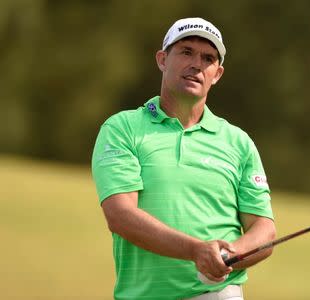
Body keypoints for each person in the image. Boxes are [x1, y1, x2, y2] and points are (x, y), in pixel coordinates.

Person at [91, 17, 276, 300]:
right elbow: (120, 215)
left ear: (217, 74)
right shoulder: (122, 129)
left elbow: (263, 228)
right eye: (186, 52)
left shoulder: (238, 142)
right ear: (162, 59)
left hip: (216, 293)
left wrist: (229, 254)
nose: (197, 64)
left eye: (208, 58)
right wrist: (196, 251)